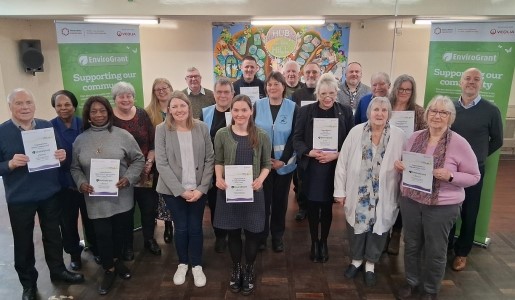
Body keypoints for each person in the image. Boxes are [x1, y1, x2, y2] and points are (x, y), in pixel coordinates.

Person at [0, 88, 84, 300]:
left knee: (54, 236)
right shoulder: (2, 132)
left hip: (49, 192)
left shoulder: (46, 126)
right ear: (10, 107)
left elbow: (58, 158)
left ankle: (58, 270)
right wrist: (9, 164)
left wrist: (62, 155)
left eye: (28, 102)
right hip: (20, 198)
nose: (25, 107)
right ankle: (28, 284)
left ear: (34, 105)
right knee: (23, 242)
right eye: (19, 103)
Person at [395, 95, 481, 300]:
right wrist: (400, 167)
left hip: (441, 206)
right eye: (433, 111)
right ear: (426, 114)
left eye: (443, 112)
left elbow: (474, 176)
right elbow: (407, 164)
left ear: (450, 117)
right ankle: (411, 281)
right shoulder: (415, 137)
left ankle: (430, 289)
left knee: (436, 250)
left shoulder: (460, 143)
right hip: (411, 202)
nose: (437, 115)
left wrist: (451, 176)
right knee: (412, 245)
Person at [71, 96, 145, 295]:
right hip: (95, 199)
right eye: (94, 111)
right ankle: (109, 270)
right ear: (88, 115)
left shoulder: (122, 135)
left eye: (102, 110)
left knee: (121, 233)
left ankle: (118, 263)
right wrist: (81, 183)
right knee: (102, 235)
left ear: (108, 112)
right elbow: (75, 168)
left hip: (121, 196)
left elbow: (139, 159)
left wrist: (128, 178)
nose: (98, 114)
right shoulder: (80, 140)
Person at [333, 97, 405, 287]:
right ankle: (356, 260)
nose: (379, 114)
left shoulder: (399, 135)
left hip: (385, 193)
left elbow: (408, 162)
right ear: (369, 113)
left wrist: (403, 167)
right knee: (355, 225)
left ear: (389, 113)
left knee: (379, 228)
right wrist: (339, 190)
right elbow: (342, 163)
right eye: (376, 110)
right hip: (358, 192)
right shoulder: (356, 132)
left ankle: (370, 264)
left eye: (383, 110)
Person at [155, 91, 214, 288]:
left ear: (189, 107)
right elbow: (161, 164)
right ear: (169, 110)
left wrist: (202, 188)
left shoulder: (202, 127)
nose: (179, 110)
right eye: (175, 106)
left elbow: (209, 159)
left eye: (182, 105)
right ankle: (182, 263)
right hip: (173, 190)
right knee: (181, 227)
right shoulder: (162, 129)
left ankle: (196, 265)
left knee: (196, 227)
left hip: (198, 189)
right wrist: (180, 191)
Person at [213, 95, 271, 295]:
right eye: (235, 110)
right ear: (231, 111)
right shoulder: (222, 134)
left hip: (254, 193)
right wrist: (218, 178)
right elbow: (218, 160)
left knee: (254, 233)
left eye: (244, 110)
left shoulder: (261, 135)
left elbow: (266, 164)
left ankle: (249, 269)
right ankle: (236, 267)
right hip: (229, 192)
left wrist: (261, 179)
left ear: (251, 111)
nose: (239, 114)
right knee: (233, 233)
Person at [293, 73, 353, 264]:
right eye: (324, 93)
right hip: (312, 168)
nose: (328, 97)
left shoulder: (345, 111)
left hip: (333, 168)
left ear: (337, 93)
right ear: (317, 93)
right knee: (312, 207)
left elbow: (350, 142)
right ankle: (313, 241)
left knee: (326, 208)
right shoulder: (305, 111)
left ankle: (324, 242)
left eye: (332, 93)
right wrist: (309, 152)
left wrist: (337, 155)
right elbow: (297, 139)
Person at [448, 68, 503, 271]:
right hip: (449, 171)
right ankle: (446, 246)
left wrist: (477, 156)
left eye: (476, 79)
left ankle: (462, 253)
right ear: (460, 83)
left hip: (473, 172)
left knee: (470, 211)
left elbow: (497, 140)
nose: (471, 82)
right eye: (468, 79)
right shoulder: (450, 108)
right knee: (448, 208)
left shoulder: (491, 110)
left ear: (481, 84)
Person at [112, 82, 161, 258]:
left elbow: (153, 141)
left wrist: (149, 162)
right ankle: (127, 245)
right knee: (126, 210)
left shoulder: (142, 114)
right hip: (121, 174)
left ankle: (149, 239)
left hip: (145, 171)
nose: (125, 99)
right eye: (121, 96)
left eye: (129, 96)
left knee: (148, 208)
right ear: (115, 99)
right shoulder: (109, 118)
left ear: (133, 97)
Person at [50, 90, 98, 270]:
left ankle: (95, 249)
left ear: (74, 106)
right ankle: (74, 255)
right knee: (68, 223)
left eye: (67, 104)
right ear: (54, 107)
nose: (63, 108)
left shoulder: (85, 124)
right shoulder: (48, 128)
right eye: (59, 105)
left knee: (91, 219)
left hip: (88, 182)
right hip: (63, 184)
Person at [254, 71, 299, 252]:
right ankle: (262, 236)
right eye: (269, 84)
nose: (272, 87)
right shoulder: (257, 105)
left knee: (280, 202)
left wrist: (282, 160)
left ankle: (278, 236)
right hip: (262, 163)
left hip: (283, 165)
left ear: (283, 87)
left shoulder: (293, 107)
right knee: (262, 202)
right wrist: (265, 160)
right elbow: (252, 133)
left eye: (276, 84)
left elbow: (295, 136)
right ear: (266, 87)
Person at [385, 74, 427, 255]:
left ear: (412, 92)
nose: (403, 92)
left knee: (402, 198)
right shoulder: (386, 106)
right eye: (400, 89)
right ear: (394, 89)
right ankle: (382, 231)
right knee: (386, 194)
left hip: (408, 161)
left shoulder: (418, 111)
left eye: (407, 89)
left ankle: (395, 234)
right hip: (385, 157)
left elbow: (426, 137)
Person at [200, 77, 234, 253]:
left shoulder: (239, 112)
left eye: (226, 92)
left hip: (235, 167)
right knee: (215, 202)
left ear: (232, 94)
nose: (222, 95)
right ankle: (220, 235)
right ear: (214, 94)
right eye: (219, 92)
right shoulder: (205, 112)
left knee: (234, 201)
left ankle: (234, 232)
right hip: (213, 167)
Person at [290, 62, 321, 221]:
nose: (311, 75)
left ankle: (316, 207)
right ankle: (302, 207)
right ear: (303, 74)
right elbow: (295, 119)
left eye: (314, 72)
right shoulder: (297, 95)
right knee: (301, 177)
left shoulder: (322, 93)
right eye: (308, 72)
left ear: (319, 74)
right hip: (303, 142)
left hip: (322, 143)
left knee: (318, 178)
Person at [145, 78, 175, 245]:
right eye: (158, 89)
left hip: (178, 159)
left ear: (170, 88)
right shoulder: (148, 112)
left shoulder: (178, 106)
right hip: (159, 160)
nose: (162, 91)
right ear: (154, 92)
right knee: (164, 196)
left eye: (165, 88)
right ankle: (168, 225)